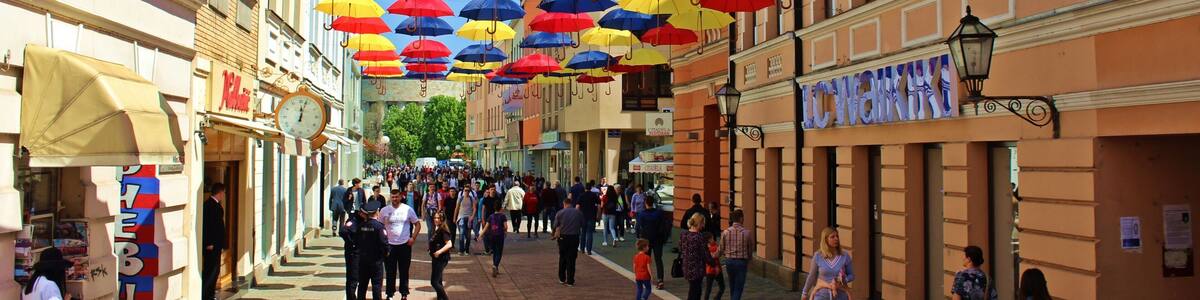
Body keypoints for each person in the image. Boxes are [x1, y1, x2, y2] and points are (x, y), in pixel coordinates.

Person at [381, 189, 422, 300]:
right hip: (389, 245)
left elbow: (417, 224)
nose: (395, 199)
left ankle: (404, 293)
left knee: (404, 270)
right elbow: (379, 226)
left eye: (397, 197)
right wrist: (381, 241)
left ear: (401, 197)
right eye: (393, 197)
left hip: (404, 244)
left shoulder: (408, 209)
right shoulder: (384, 210)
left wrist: (413, 238)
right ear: (390, 197)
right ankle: (390, 294)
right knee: (390, 271)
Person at [801, 228, 855, 300]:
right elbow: (812, 276)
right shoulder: (818, 256)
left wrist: (844, 280)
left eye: (837, 236)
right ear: (825, 239)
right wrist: (804, 293)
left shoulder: (844, 256)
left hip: (841, 296)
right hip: (821, 296)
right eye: (832, 237)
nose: (836, 239)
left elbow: (852, 275)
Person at [355, 201, 389, 300]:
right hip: (376, 261)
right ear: (377, 212)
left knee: (362, 285)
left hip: (363, 260)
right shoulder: (379, 227)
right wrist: (386, 253)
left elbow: (357, 241)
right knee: (376, 285)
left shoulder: (361, 226)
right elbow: (384, 243)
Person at [202, 182, 227, 300]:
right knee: (211, 271)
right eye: (223, 193)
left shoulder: (214, 205)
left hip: (216, 244)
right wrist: (209, 243)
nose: (224, 195)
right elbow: (209, 226)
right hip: (212, 245)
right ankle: (207, 295)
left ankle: (210, 294)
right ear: (220, 192)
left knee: (215, 270)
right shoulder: (210, 206)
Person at [719, 210, 752, 300]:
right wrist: (749, 259)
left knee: (732, 286)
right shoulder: (747, 233)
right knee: (738, 287)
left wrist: (716, 256)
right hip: (741, 262)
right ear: (741, 218)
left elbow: (721, 248)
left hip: (729, 261)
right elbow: (750, 249)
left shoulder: (725, 232)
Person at [636, 197, 669, 289]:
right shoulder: (659, 213)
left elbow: (638, 227)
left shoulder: (642, 214)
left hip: (646, 240)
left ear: (645, 203)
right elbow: (664, 226)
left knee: (645, 260)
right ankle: (660, 280)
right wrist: (664, 238)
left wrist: (638, 237)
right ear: (653, 203)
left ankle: (646, 279)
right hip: (658, 239)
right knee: (658, 260)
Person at [681, 214, 713, 300]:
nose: (703, 226)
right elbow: (705, 254)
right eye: (703, 224)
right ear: (699, 223)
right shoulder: (699, 237)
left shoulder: (684, 234)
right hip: (697, 268)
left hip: (686, 266)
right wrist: (712, 262)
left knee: (694, 289)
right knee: (695, 291)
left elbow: (681, 248)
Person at [339, 199, 365, 300]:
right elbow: (343, 231)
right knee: (352, 278)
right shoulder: (353, 220)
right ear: (360, 212)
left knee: (362, 278)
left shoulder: (365, 220)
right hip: (353, 254)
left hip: (363, 254)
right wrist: (353, 242)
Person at [554, 198, 584, 286]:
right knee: (571, 259)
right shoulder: (578, 212)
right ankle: (570, 280)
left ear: (564, 203)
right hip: (574, 237)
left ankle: (562, 278)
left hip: (563, 237)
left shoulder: (560, 213)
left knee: (562, 257)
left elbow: (555, 225)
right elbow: (582, 224)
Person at [478, 206, 510, 277]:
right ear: (500, 208)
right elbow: (505, 227)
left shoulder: (490, 216)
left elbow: (486, 227)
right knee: (499, 252)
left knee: (495, 252)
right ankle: (495, 265)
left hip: (492, 236)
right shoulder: (503, 216)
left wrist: (480, 235)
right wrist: (505, 231)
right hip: (500, 236)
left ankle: (496, 268)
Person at [429, 214, 454, 300]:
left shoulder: (443, 229)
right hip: (435, 258)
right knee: (438, 281)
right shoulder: (436, 228)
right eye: (435, 218)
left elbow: (449, 244)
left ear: (442, 219)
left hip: (441, 259)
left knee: (434, 282)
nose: (436, 220)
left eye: (438, 218)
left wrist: (439, 252)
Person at [577, 181, 601, 255]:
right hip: (592, 216)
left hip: (583, 217)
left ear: (585, 188)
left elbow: (577, 207)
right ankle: (589, 250)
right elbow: (599, 206)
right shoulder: (594, 195)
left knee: (583, 233)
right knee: (590, 233)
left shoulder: (581, 195)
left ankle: (582, 249)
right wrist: (598, 215)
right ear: (591, 188)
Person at [454, 185, 477, 256]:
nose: (467, 192)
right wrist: (454, 218)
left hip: (469, 218)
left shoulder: (471, 198)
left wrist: (472, 216)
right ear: (463, 191)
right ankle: (461, 250)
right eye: (465, 190)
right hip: (461, 218)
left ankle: (466, 250)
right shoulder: (460, 198)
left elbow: (474, 208)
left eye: (468, 190)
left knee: (468, 236)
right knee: (461, 233)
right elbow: (456, 208)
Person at [703, 232, 725, 300]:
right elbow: (720, 253)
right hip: (716, 269)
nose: (714, 239)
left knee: (708, 288)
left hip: (709, 270)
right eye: (712, 238)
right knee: (722, 287)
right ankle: (717, 298)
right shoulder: (714, 247)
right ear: (709, 240)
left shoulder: (705, 248)